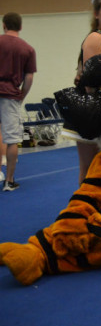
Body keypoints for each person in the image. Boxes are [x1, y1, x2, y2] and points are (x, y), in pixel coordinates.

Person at [63, 0, 101, 186]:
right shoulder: (96, 38)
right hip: (91, 110)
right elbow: (90, 80)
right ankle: (83, 210)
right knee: (89, 168)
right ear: (96, 14)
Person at [0, 12, 37, 191]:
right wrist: (22, 94)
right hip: (11, 95)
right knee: (12, 139)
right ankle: (9, 181)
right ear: (20, 27)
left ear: (4, 25)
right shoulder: (27, 49)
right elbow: (29, 77)